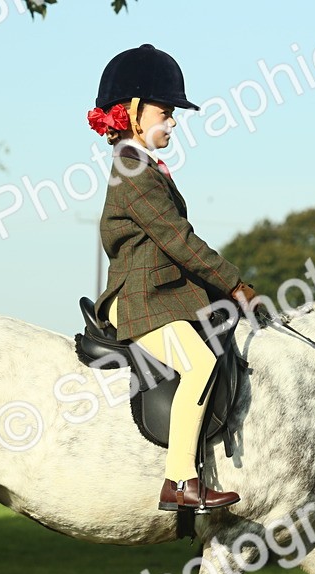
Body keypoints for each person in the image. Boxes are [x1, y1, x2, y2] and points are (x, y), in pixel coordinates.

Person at [88, 44, 256, 513]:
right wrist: (234, 284)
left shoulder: (142, 167)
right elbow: (177, 239)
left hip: (161, 294)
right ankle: (179, 481)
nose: (174, 122)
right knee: (199, 365)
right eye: (166, 113)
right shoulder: (133, 172)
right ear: (133, 113)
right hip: (141, 298)